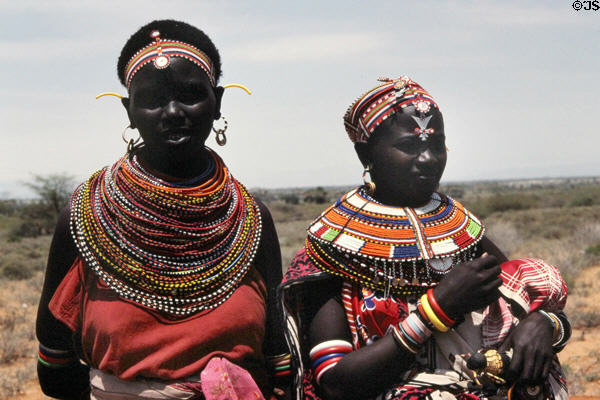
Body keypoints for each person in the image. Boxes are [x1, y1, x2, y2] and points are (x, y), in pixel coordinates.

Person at [36, 19, 289, 400]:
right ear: (128, 111)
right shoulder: (86, 212)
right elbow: (55, 369)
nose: (172, 111)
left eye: (190, 94)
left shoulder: (252, 218)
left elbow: (278, 360)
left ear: (217, 102)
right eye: (152, 99)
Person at [278, 76, 570, 400]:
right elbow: (335, 383)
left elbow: (523, 306)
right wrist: (436, 312)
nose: (429, 159)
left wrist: (546, 324)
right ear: (366, 156)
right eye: (409, 146)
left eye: (436, 144)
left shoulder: (463, 233)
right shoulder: (334, 249)